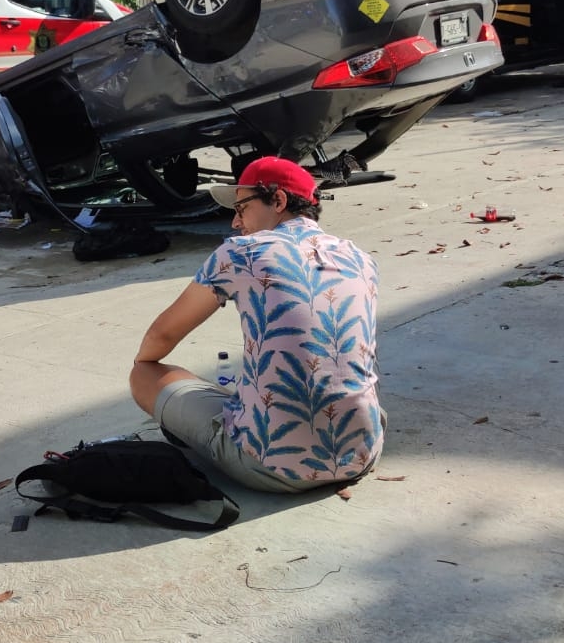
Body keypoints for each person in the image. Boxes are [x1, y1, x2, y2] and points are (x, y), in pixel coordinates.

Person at [129, 156, 383, 492]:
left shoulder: (240, 253)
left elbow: (162, 334)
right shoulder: (360, 258)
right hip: (362, 454)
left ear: (277, 200)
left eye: (241, 208)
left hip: (270, 466)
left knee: (144, 373)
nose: (236, 223)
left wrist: (143, 361)